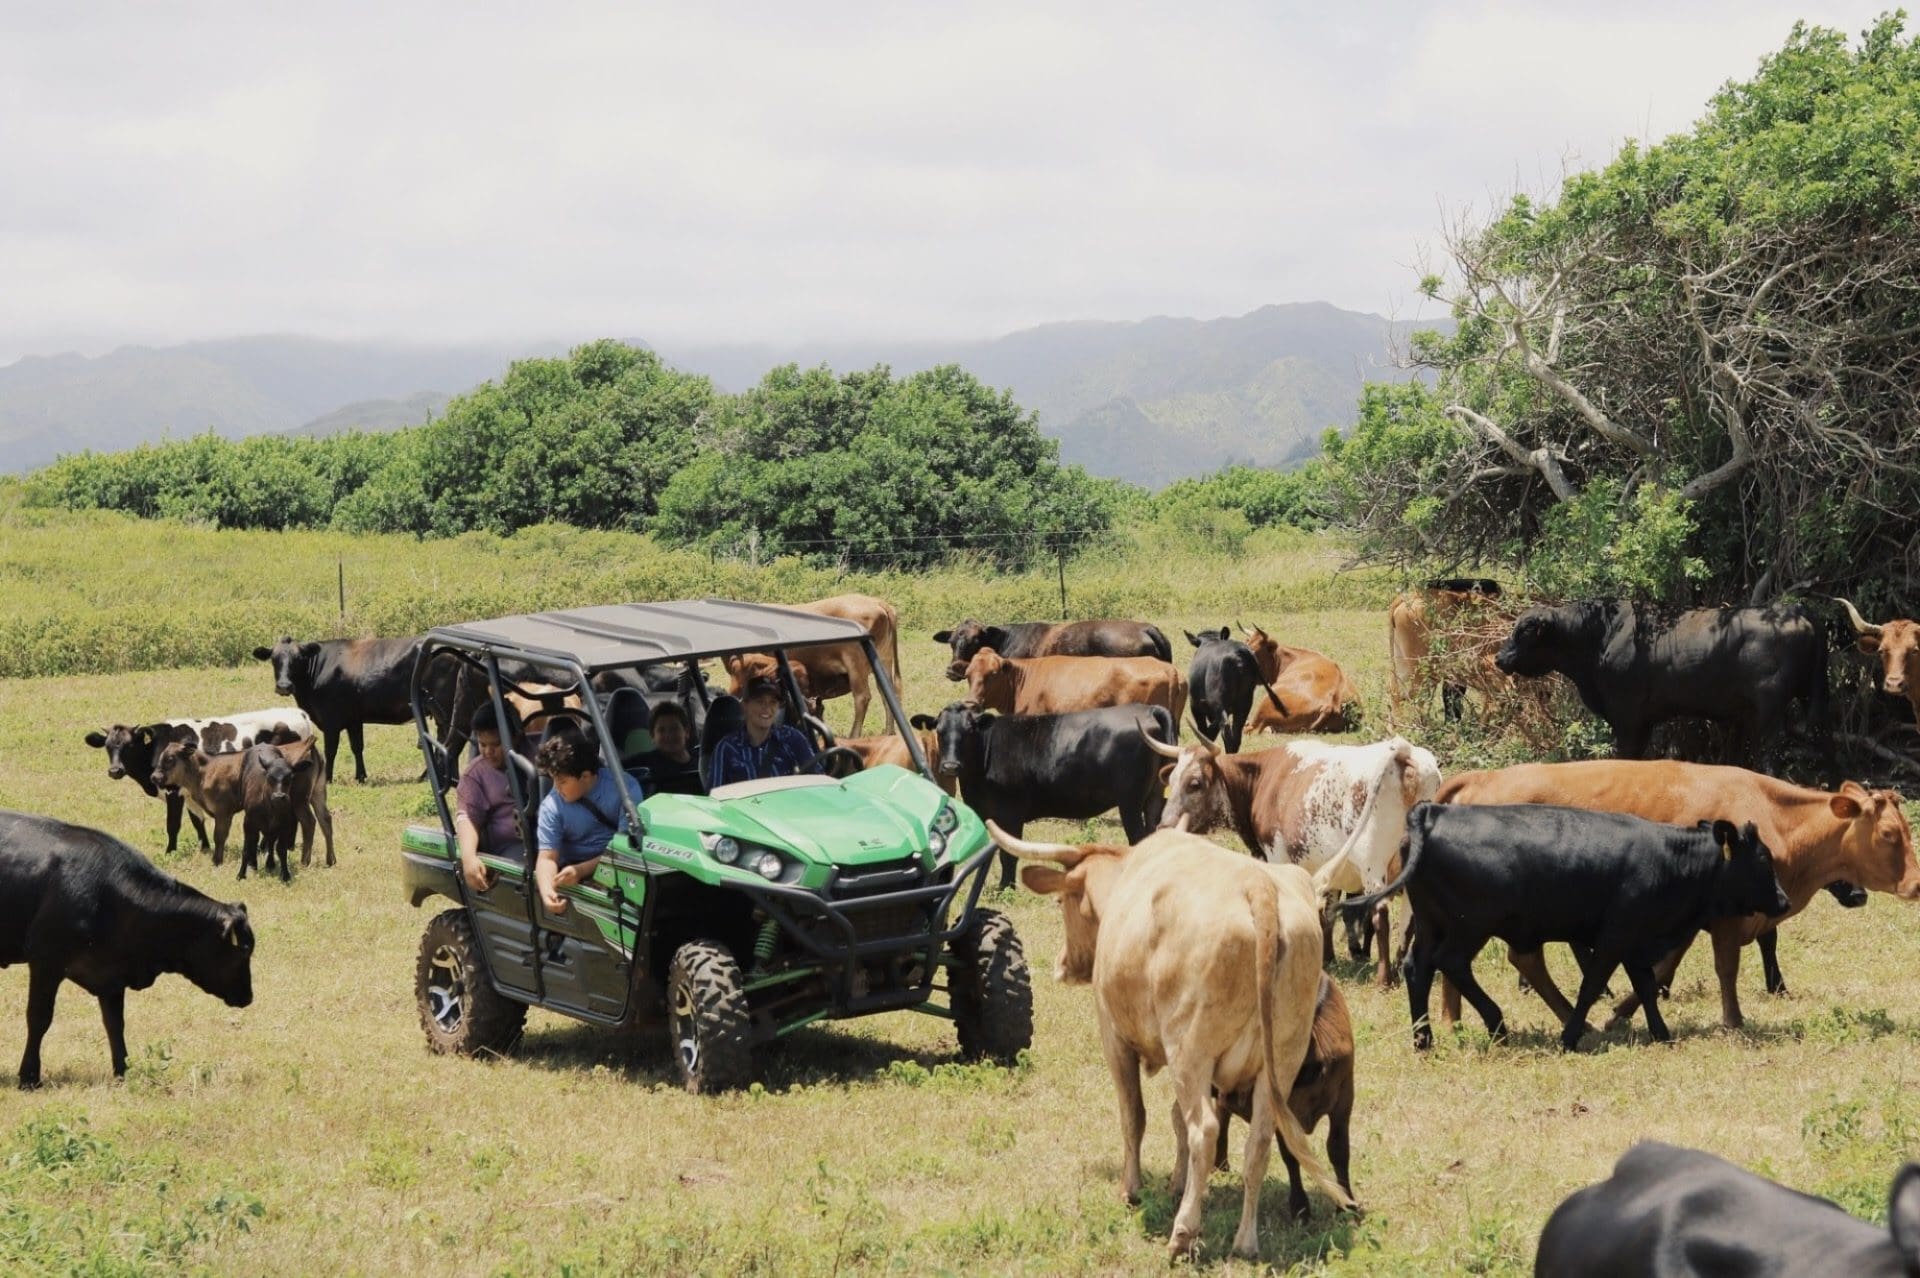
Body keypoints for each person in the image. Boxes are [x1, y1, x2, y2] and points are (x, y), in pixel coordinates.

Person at [533, 728, 644, 915]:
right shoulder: (551, 806)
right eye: (553, 780)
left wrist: (581, 870)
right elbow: (547, 858)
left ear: (585, 776)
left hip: (621, 867)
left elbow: (627, 849)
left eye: (562, 781)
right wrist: (547, 891)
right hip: (574, 873)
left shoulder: (624, 789)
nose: (556, 788)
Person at [455, 701, 525, 892]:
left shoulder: (536, 752)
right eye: (482, 744)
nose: (488, 751)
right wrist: (468, 857)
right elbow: (467, 817)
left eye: (496, 744)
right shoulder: (475, 775)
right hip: (512, 848)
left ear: (517, 737)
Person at [708, 675, 817, 789]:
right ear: (744, 706)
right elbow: (714, 795)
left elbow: (818, 779)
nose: (767, 708)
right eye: (760, 701)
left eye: (773, 702)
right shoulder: (727, 748)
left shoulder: (791, 738)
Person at [636, 700, 704, 796]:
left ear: (687, 732)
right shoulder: (644, 763)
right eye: (661, 730)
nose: (669, 735)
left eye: (674, 728)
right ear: (652, 736)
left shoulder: (702, 761)